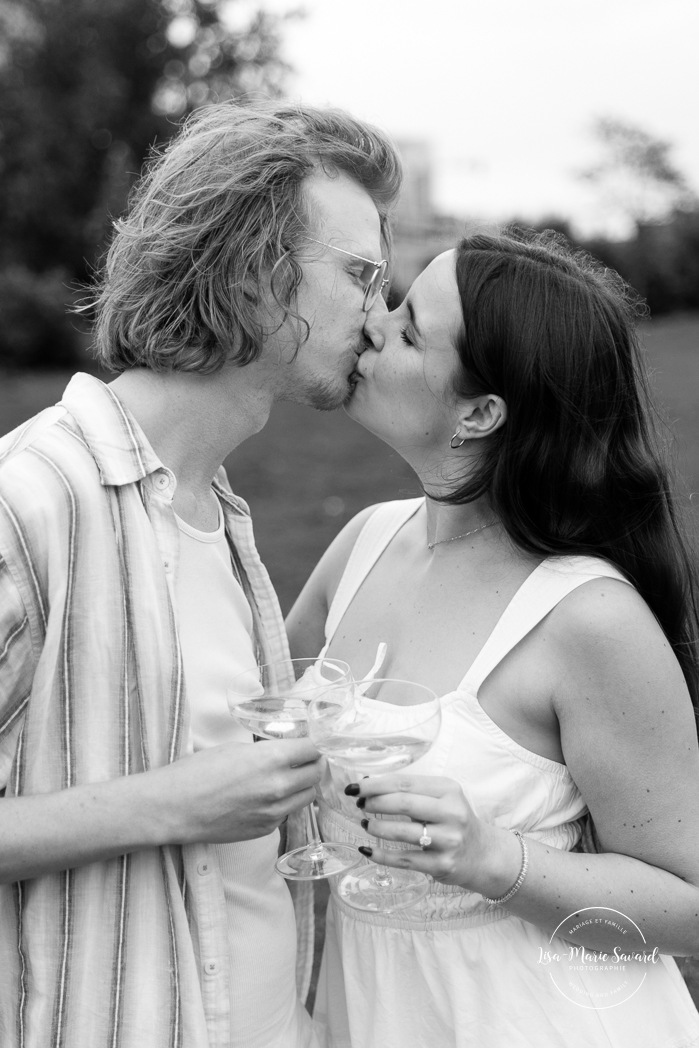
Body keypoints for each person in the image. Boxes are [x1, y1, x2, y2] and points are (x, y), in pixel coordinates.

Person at [0, 100, 400, 1048]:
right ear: (256, 273)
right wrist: (172, 804)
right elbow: (196, 800)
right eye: (360, 276)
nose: (380, 318)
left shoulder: (217, 516)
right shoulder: (31, 503)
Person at [287, 229, 699, 1047]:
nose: (374, 324)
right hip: (374, 1013)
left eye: (407, 329)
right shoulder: (363, 542)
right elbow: (253, 730)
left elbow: (686, 906)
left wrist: (487, 857)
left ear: (480, 411)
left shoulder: (587, 619)